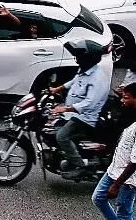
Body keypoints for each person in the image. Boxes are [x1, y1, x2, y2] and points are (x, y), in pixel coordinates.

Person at [50, 39, 112, 179]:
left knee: (62, 136)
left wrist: (65, 109)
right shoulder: (84, 70)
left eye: (79, 57)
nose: (76, 60)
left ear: (88, 59)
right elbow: (74, 81)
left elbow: (89, 104)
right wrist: (57, 89)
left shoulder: (98, 79)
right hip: (73, 114)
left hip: (85, 117)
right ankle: (70, 156)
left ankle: (80, 166)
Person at [93, 82, 136, 220]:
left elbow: (135, 161)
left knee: (124, 214)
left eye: (126, 97)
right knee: (98, 198)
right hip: (114, 170)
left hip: (128, 179)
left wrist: (116, 185)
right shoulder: (129, 115)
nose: (122, 100)